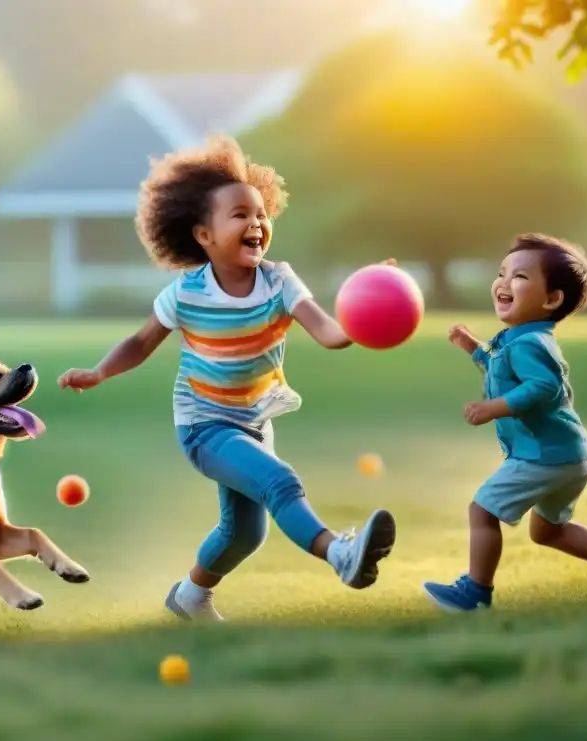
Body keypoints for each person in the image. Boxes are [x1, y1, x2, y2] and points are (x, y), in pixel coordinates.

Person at [58, 135, 396, 621]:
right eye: (240, 215)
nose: (256, 223)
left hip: (254, 421)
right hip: (203, 425)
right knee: (280, 481)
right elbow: (140, 342)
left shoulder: (279, 281)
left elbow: (328, 333)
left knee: (244, 534)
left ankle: (189, 597)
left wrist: (370, 309)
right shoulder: (186, 293)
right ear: (204, 235)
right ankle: (340, 554)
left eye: (261, 214)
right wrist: (99, 372)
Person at [423, 233, 587, 612]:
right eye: (502, 273)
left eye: (519, 276)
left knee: (482, 510)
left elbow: (543, 386)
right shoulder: (522, 339)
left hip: (543, 456)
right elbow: (502, 368)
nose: (503, 282)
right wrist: (474, 348)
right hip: (568, 455)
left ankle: (475, 593)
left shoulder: (529, 344)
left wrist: (494, 407)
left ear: (551, 299)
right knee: (548, 531)